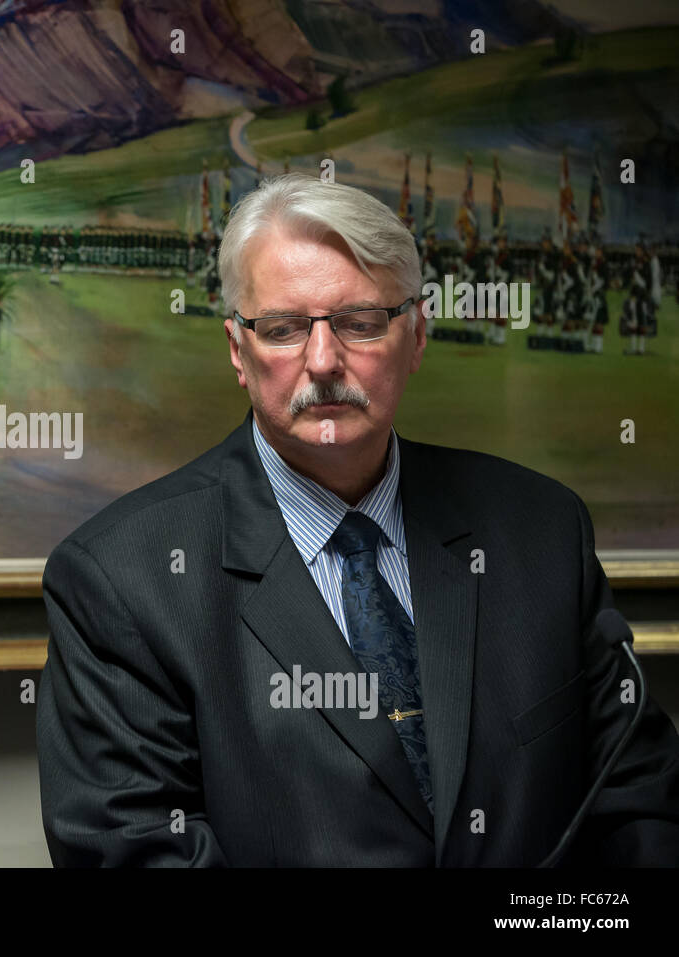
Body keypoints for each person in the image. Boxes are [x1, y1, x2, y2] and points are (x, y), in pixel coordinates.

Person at [36, 173, 679, 867]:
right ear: (237, 352)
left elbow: (637, 803)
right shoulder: (124, 579)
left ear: (417, 336)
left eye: (360, 322)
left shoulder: (541, 530)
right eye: (282, 329)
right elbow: (136, 854)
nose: (322, 361)